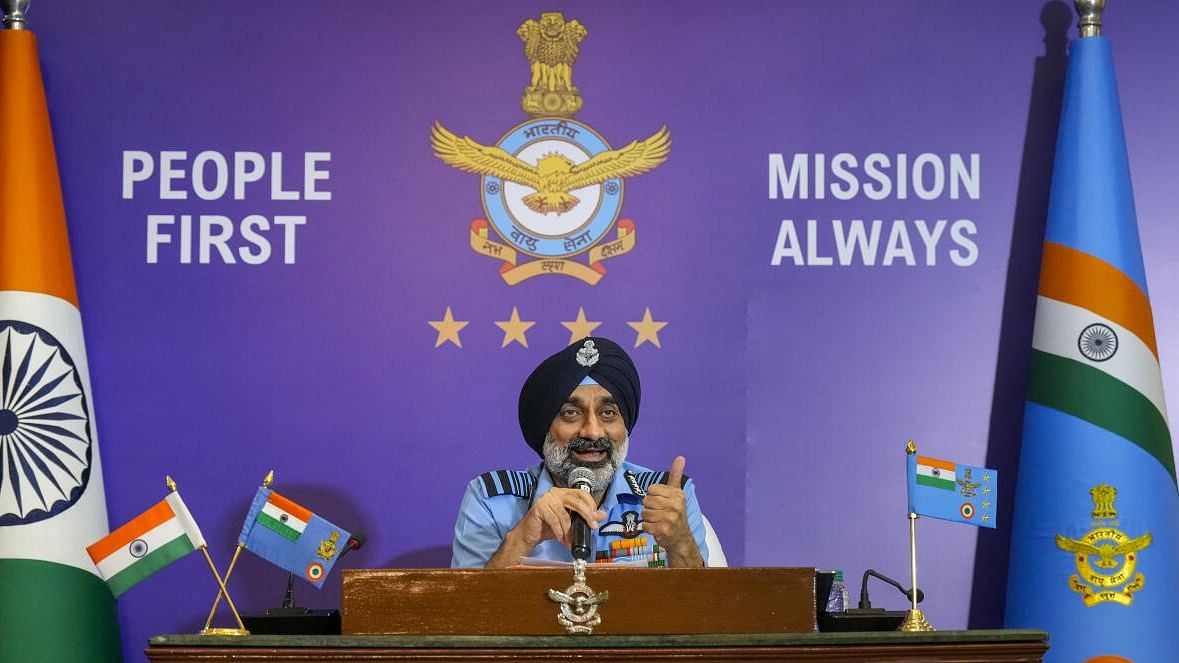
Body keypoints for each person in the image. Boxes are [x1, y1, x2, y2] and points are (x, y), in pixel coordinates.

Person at [451, 336, 709, 568]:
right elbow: (464, 615)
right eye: (571, 413)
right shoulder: (491, 501)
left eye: (608, 413)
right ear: (546, 426)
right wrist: (520, 540)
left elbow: (706, 615)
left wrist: (680, 544)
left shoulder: (668, 497)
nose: (593, 432)